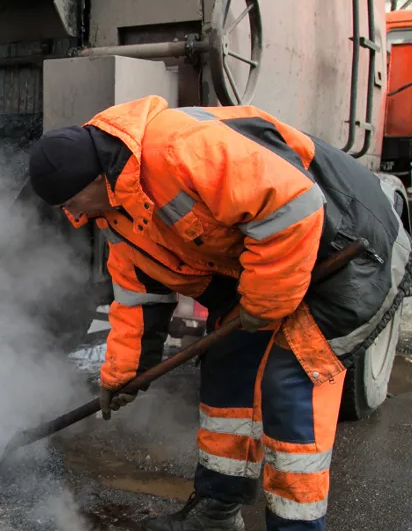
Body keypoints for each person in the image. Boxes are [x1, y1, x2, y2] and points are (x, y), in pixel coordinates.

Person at [27, 95, 412, 531]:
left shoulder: (182, 147)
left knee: (288, 382)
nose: (70, 214)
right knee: (228, 365)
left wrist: (262, 307)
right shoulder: (114, 212)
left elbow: (293, 208)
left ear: (97, 178)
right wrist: (122, 377)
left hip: (350, 252)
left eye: (71, 201)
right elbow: (138, 297)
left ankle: (296, 527)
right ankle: (216, 512)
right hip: (273, 267)